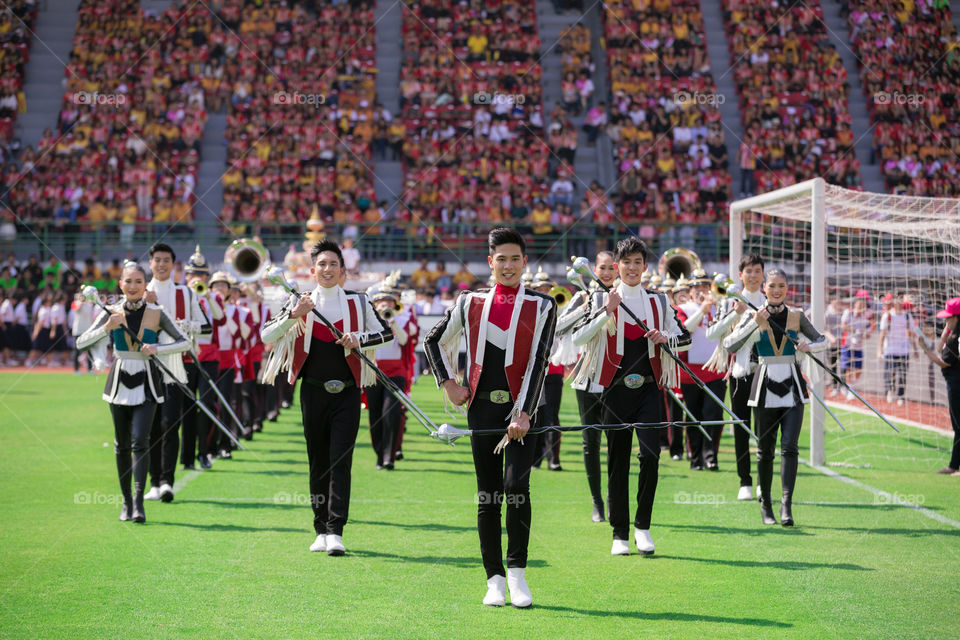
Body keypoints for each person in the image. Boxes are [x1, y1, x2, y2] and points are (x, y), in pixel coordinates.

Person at [423, 227, 556, 608]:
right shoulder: (469, 301)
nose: (509, 265)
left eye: (516, 258)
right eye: (502, 259)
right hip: (481, 410)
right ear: (490, 262)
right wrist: (448, 383)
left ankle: (517, 573)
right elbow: (433, 340)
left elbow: (540, 361)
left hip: (524, 413)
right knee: (488, 494)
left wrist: (525, 412)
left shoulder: (543, 305)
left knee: (517, 488)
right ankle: (493, 578)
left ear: (525, 262)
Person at [261, 240, 393, 557]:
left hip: (348, 392)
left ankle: (336, 530)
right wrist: (295, 314)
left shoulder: (359, 303)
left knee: (340, 461)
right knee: (317, 462)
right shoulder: (300, 301)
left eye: (333, 264)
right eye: (322, 264)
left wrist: (358, 338)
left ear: (343, 271)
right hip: (312, 392)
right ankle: (320, 528)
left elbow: (386, 333)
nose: (327, 269)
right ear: (312, 270)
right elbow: (266, 335)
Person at [572, 236, 691, 556]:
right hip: (614, 391)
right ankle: (619, 534)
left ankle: (643, 527)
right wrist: (605, 312)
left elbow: (685, 339)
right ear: (616, 267)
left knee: (651, 455)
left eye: (638, 262)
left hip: (650, 390)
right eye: (626, 263)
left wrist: (665, 337)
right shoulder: (602, 299)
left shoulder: (660, 302)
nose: (632, 268)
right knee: (617, 461)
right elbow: (579, 338)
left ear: (645, 266)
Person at [76, 262, 190, 523]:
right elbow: (81, 342)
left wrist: (157, 349)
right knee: (122, 445)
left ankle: (139, 504)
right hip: (118, 382)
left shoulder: (156, 312)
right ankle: (126, 503)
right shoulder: (111, 311)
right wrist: (106, 327)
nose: (133, 286)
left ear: (145, 284)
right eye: (128, 281)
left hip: (148, 381)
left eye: (139, 281)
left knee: (141, 440)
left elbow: (185, 341)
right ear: (121, 284)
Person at [724, 270, 827, 526]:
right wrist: (755, 325)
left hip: (793, 386)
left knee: (790, 447)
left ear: (787, 288)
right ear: (765, 288)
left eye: (782, 285)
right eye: (772, 286)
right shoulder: (754, 313)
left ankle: (786, 507)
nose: (777, 290)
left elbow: (822, 340)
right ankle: (766, 506)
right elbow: (730, 345)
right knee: (765, 451)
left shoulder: (797, 315)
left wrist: (808, 347)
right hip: (763, 386)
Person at [144, 243, 208, 503]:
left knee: (171, 422)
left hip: (176, 364)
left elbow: (204, 327)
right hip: (146, 365)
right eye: (157, 260)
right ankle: (153, 481)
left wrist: (185, 325)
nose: (161, 265)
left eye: (166, 260)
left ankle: (166, 481)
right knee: (150, 426)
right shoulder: (141, 289)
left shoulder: (186, 293)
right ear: (150, 263)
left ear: (173, 264)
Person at [705, 254, 766, 500]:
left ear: (763, 274)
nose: (753, 275)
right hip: (740, 374)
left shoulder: (769, 300)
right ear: (740, 275)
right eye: (748, 271)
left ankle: (764, 480)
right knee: (741, 426)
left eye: (757, 271)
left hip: (766, 371)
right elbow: (712, 334)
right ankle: (745, 481)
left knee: (765, 427)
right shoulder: (728, 302)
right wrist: (734, 314)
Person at [564, 250, 617, 521]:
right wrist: (585, 308)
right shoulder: (583, 296)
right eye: (602, 268)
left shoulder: (626, 297)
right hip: (587, 376)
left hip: (616, 379)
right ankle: (597, 501)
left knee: (616, 442)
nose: (606, 272)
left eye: (611, 267)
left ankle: (612, 498)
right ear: (594, 270)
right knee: (590, 442)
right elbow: (561, 327)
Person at [676, 270, 725, 471]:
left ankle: (710, 456)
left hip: (716, 369)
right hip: (691, 372)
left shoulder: (720, 307)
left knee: (713, 415)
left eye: (705, 287)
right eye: (697, 287)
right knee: (694, 416)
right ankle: (696, 457)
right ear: (690, 290)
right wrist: (702, 311)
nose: (701, 291)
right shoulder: (684, 308)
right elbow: (685, 329)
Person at [181, 246, 224, 470]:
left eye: (202, 275)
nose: (197, 278)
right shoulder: (181, 294)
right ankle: (187, 456)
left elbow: (219, 316)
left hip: (209, 357)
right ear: (186, 276)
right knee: (186, 407)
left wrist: (206, 294)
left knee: (207, 404)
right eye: (193, 274)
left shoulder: (213, 296)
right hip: (187, 356)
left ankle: (204, 452)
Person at [366, 275, 412, 470]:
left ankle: (389, 457)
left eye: (389, 303)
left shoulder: (401, 319)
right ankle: (379, 454)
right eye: (381, 303)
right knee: (375, 416)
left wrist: (393, 323)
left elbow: (403, 341)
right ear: (375, 305)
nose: (384, 306)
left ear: (395, 305)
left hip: (395, 372)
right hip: (373, 372)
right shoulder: (368, 322)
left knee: (391, 413)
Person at [919, 298, 960, 475]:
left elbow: (944, 362)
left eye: (949, 318)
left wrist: (924, 350)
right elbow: (940, 346)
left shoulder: (957, 338)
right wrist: (949, 328)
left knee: (959, 425)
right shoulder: (953, 335)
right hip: (954, 382)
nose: (945, 321)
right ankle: (954, 465)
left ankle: (954, 466)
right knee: (958, 426)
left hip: (957, 383)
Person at [530, 267, 564, 471]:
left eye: (547, 288)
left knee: (552, 415)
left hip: (553, 370)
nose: (544, 291)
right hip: (535, 371)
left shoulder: (561, 309)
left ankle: (553, 458)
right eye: (540, 288)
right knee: (535, 415)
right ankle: (536, 459)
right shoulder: (529, 310)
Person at [877, 295, 918, 406]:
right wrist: (879, 350)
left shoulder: (907, 316)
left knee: (903, 374)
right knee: (890, 373)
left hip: (904, 350)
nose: (899, 303)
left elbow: (911, 333)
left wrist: (915, 349)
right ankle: (890, 391)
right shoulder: (888, 315)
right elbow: (882, 334)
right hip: (890, 349)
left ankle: (901, 396)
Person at [840, 291, 873, 400]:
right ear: (855, 305)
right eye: (859, 305)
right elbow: (843, 326)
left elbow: (868, 334)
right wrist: (856, 330)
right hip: (848, 344)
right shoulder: (848, 313)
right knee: (848, 368)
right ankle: (850, 388)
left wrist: (863, 334)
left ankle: (851, 386)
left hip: (858, 346)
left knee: (858, 369)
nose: (861, 307)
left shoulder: (866, 318)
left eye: (863, 305)